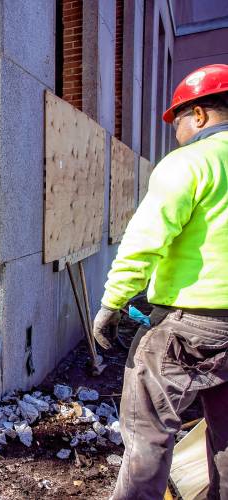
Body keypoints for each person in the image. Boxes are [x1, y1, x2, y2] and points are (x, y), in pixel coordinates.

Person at [92, 64, 228, 499]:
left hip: (190, 323)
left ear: (201, 115)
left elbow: (145, 239)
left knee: (147, 433)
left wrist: (112, 302)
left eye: (179, 121)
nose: (176, 133)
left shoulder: (192, 162)